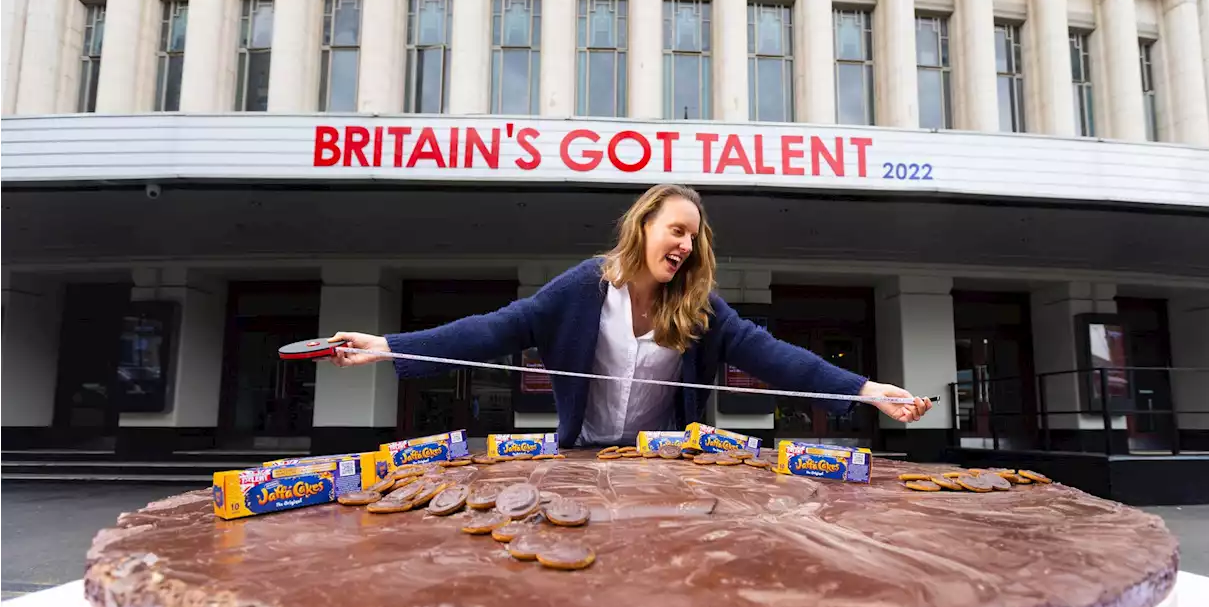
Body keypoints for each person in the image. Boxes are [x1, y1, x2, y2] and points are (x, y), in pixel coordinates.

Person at [328, 184, 933, 448]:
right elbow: (491, 329)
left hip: (662, 461)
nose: (686, 246)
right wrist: (387, 345)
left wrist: (864, 390)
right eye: (676, 231)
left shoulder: (699, 310)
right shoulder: (580, 290)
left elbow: (774, 356)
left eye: (694, 238)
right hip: (579, 458)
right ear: (643, 225)